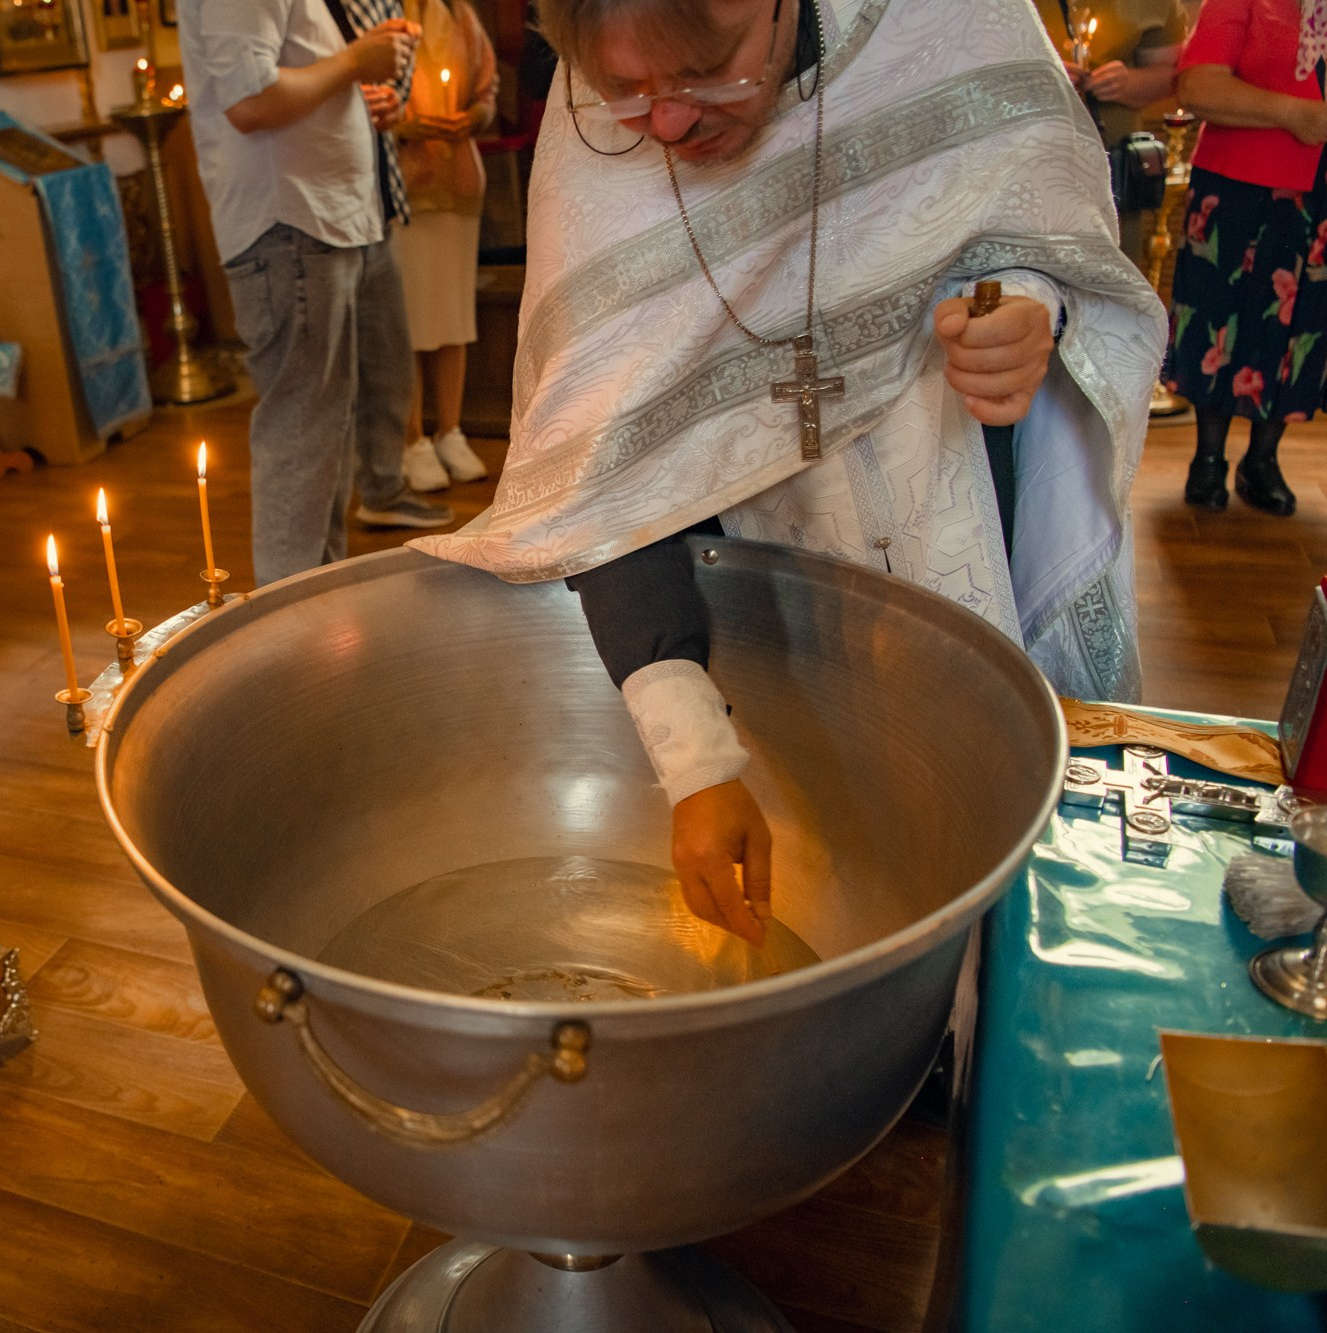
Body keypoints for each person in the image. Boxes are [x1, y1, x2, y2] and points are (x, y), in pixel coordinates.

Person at [412, 0, 1165, 942]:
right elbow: (597, 457)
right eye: (627, 95)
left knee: (1003, 871)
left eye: (708, 72)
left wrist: (1024, 306)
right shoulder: (591, 104)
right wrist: (694, 761)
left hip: (961, 506)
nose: (670, 124)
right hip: (753, 604)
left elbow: (1040, 221)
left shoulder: (952, 19)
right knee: (826, 880)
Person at [180, 0, 455, 587]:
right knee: (302, 433)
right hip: (290, 222)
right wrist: (357, 60)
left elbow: (296, 80)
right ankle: (294, 618)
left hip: (331, 216)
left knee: (329, 422)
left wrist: (358, 97)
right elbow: (250, 102)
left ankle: (318, 603)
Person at [1170, 0, 1327, 517]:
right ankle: (1207, 458)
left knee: (1301, 328)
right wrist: (1294, 113)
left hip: (1321, 198)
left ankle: (1263, 459)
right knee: (1220, 316)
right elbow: (1196, 86)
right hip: (1239, 187)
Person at [395, 0, 500, 492]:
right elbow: (358, 98)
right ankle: (412, 439)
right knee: (409, 320)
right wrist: (402, 125)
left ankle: (450, 430)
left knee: (455, 316)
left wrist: (475, 116)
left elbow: (486, 87)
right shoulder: (380, 15)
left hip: (456, 179)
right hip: (405, 181)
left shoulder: (459, 14)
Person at [1035, 1, 1186, 265]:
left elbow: (1173, 75)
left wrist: (1130, 82)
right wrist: (1034, 80)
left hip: (1113, 172)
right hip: (1028, 163)